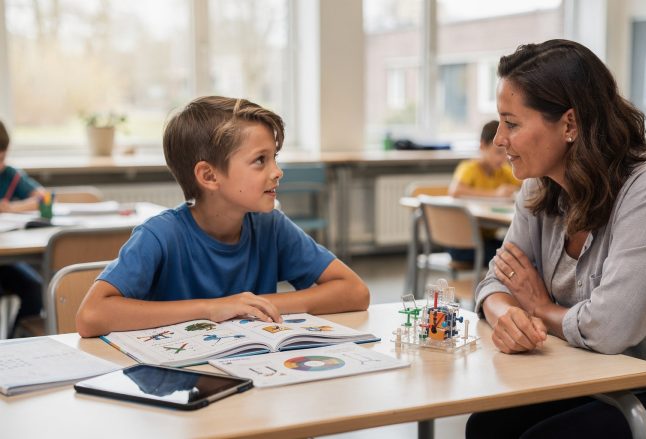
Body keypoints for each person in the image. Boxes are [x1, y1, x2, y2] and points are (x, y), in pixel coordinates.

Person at [466, 40, 646, 438]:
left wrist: (541, 308)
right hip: (598, 379)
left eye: (511, 123)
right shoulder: (539, 187)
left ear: (569, 124)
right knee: (487, 426)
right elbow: (496, 281)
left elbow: (610, 329)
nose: (498, 139)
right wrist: (505, 314)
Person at [76, 96, 370, 337]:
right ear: (209, 175)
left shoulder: (271, 226)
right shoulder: (160, 235)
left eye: (274, 158)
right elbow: (91, 315)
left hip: (251, 371)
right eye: (260, 160)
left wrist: (254, 305)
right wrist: (212, 308)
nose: (277, 172)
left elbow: (355, 292)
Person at [447, 120, 521, 265]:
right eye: (498, 152)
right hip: (461, 244)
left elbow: (527, 185)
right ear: (482, 146)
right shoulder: (469, 168)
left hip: (485, 240)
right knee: (513, 258)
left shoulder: (504, 171)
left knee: (519, 252)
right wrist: (496, 193)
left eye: (506, 153)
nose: (503, 158)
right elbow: (455, 191)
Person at [0, 119, 46, 335]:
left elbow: (43, 199)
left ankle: (13, 340)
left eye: (2, 157)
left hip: (6, 261)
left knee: (34, 287)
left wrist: (11, 207)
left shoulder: (9, 174)